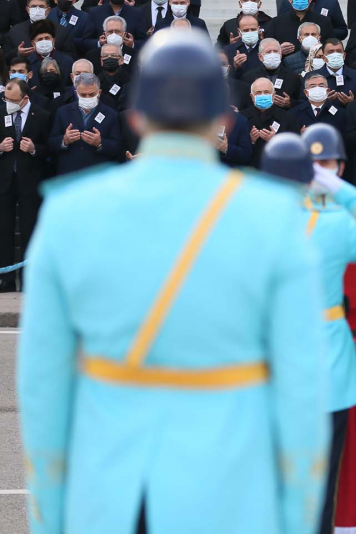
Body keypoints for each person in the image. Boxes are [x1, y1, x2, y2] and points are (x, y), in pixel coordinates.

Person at [19, 29, 329, 534]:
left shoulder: (71, 213)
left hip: (109, 491)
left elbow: (43, 389)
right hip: (232, 488)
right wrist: (294, 517)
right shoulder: (274, 217)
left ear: (137, 117)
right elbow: (301, 387)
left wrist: (52, 516)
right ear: (220, 118)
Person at [297, 123, 356, 534]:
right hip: (323, 360)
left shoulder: (273, 213)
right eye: (317, 165)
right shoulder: (344, 219)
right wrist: (341, 191)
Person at [0, 78, 49, 292]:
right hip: (5, 181)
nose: (8, 103)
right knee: (4, 229)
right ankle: (7, 278)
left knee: (30, 229)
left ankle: (29, 278)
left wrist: (34, 149)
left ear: (25, 98)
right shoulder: (1, 113)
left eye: (12, 100)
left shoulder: (43, 115)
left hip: (30, 180)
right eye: (6, 98)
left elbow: (51, 147)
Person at [240, 77, 297, 167]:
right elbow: (236, 151)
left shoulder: (288, 118)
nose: (262, 95)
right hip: (250, 172)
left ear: (273, 95)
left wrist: (275, 140)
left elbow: (295, 149)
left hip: (278, 170)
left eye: (266, 92)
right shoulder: (241, 118)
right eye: (258, 93)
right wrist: (250, 141)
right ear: (252, 96)